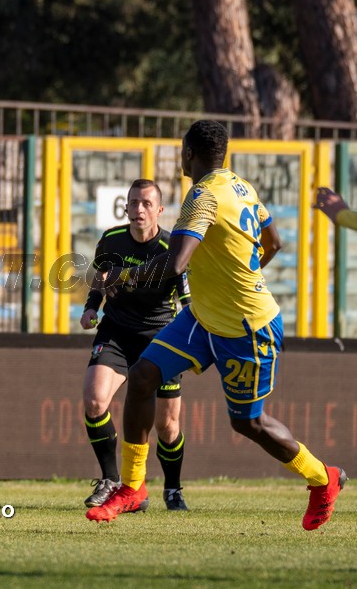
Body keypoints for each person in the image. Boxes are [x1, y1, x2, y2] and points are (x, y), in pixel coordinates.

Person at [86, 120, 346, 530]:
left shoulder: (201, 196)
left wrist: (126, 275)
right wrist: (237, 274)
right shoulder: (241, 186)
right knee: (142, 376)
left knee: (248, 423)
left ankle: (323, 477)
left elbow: (175, 264)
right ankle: (133, 488)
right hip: (203, 317)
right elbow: (274, 242)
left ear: (188, 153)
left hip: (247, 327)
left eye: (181, 151)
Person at [80, 179, 191, 512]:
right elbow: (100, 279)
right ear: (126, 207)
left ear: (159, 210)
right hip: (116, 332)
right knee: (94, 401)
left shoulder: (173, 247)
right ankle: (112, 481)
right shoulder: (111, 240)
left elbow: (187, 300)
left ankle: (172, 489)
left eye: (146, 203)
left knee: (167, 426)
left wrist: (194, 340)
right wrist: (91, 307)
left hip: (161, 337)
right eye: (133, 203)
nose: (138, 209)